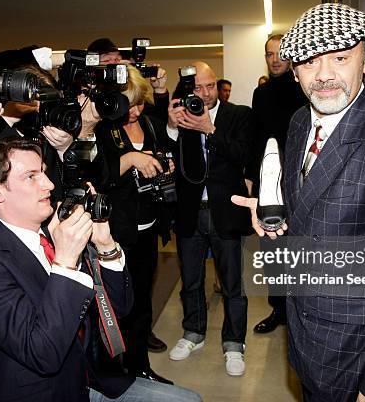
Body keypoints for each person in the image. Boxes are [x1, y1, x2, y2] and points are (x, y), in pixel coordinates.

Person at [233, 3, 365, 401]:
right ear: (294, 71)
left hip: (358, 361)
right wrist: (277, 217)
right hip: (308, 343)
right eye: (309, 62)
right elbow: (311, 213)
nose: (325, 75)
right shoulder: (297, 123)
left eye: (340, 57)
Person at [0, 138, 201, 402]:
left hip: (90, 378)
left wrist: (105, 245)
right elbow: (42, 353)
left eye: (44, 173)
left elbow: (119, 309)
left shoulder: (55, 231)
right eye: (31, 177)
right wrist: (66, 260)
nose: (48, 184)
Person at [167, 61, 253, 376]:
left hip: (226, 212)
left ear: (217, 85)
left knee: (232, 284)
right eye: (198, 87)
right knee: (190, 280)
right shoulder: (184, 115)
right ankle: (194, 333)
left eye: (209, 86)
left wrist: (210, 130)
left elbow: (243, 154)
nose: (204, 94)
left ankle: (234, 343)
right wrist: (172, 126)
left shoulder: (238, 114)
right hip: (191, 212)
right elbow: (169, 157)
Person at [94, 65, 175, 384]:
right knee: (115, 306)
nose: (135, 111)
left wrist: (163, 162)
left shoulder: (150, 124)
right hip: (114, 232)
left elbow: (165, 155)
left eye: (140, 103)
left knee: (142, 301)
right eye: (130, 104)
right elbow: (94, 175)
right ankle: (114, 371)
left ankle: (140, 366)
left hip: (148, 228)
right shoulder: (102, 129)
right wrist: (129, 160)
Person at [247, 34, 308, 335]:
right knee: (271, 252)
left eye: (279, 53)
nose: (274, 59)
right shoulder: (261, 94)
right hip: (267, 184)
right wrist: (251, 180)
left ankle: (299, 311)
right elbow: (256, 140)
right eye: (269, 54)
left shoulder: (304, 89)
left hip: (299, 182)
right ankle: (279, 310)